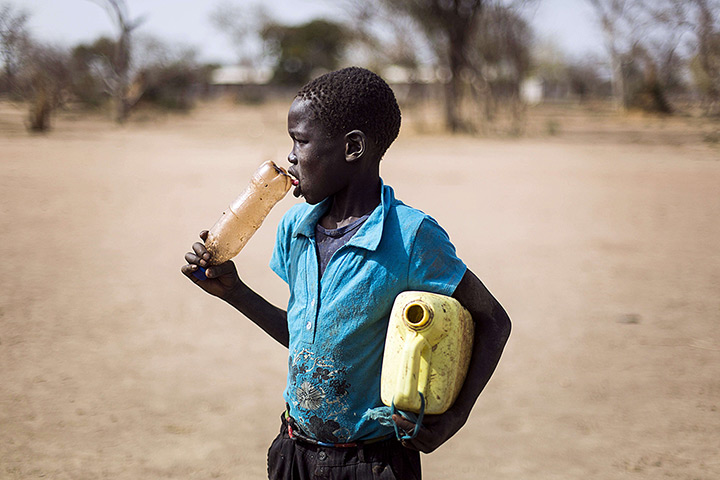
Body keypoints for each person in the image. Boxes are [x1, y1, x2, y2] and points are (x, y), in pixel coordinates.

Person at [182, 66, 511, 480]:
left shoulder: (410, 237)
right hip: (294, 449)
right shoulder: (295, 228)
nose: (290, 156)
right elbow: (309, 341)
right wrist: (235, 293)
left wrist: (455, 417)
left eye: (300, 141)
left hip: (372, 462)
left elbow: (494, 321)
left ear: (352, 147)